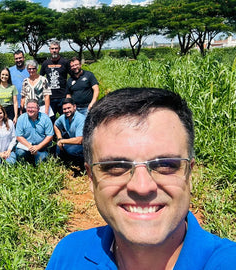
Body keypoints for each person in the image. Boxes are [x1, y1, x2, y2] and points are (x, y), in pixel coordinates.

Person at [46, 88, 236, 269]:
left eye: (165, 165)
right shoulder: (69, 255)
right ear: (91, 178)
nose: (142, 187)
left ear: (189, 173)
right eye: (116, 167)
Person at [16, 99, 54, 165]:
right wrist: (30, 147)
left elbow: (50, 136)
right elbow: (19, 136)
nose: (30, 110)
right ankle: (25, 165)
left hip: (41, 147)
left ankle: (38, 157)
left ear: (38, 109)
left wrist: (38, 147)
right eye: (28, 107)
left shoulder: (45, 118)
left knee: (41, 163)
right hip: (26, 146)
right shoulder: (21, 118)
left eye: (33, 107)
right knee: (20, 153)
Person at [39, 40, 70, 119]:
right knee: (50, 119)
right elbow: (40, 78)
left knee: (65, 118)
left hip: (63, 96)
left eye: (56, 48)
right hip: (50, 97)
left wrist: (69, 93)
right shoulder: (45, 63)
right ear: (49, 50)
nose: (54, 51)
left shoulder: (65, 62)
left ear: (59, 49)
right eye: (52, 49)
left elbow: (72, 77)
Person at [53, 98, 85, 165]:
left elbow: (79, 140)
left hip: (85, 144)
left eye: (69, 108)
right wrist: (60, 138)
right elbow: (56, 125)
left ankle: (81, 166)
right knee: (58, 147)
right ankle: (64, 166)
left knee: (70, 150)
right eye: (64, 109)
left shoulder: (81, 119)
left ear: (74, 107)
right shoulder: (63, 117)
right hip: (73, 141)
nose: (67, 110)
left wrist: (62, 141)